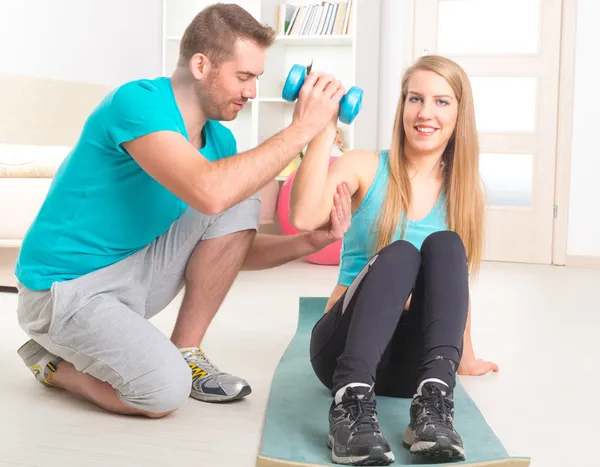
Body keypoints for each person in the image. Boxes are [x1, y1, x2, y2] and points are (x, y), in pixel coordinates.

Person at [13, 3, 352, 418]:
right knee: (161, 393)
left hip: (135, 271)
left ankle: (187, 350)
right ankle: (54, 368)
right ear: (200, 64)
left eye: (257, 79)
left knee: (240, 194)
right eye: (243, 77)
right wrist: (302, 128)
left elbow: (229, 248)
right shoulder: (136, 102)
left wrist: (311, 241)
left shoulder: (219, 142)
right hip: (64, 291)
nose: (252, 92)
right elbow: (210, 193)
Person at [289, 55, 499, 465]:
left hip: (411, 369)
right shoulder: (366, 166)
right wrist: (323, 127)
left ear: (459, 113)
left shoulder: (465, 190)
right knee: (401, 254)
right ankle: (349, 407)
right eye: (415, 99)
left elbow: (456, 284)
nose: (425, 113)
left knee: (448, 245)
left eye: (441, 102)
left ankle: (434, 401)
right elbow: (301, 216)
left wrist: (465, 357)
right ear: (402, 106)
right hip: (342, 354)